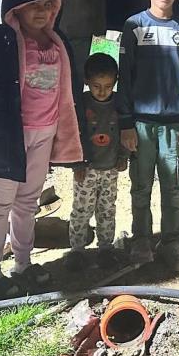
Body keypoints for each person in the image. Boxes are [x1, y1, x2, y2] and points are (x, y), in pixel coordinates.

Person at [0, 0, 84, 299]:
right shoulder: (3, 41)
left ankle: (23, 264)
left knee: (28, 202)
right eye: (33, 5)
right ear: (15, 8)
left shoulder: (57, 42)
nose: (42, 11)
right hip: (11, 136)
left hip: (45, 133)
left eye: (48, 4)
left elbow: (70, 89)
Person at [118, 0, 179, 272]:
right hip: (141, 124)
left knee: (172, 187)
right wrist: (125, 122)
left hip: (174, 125)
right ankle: (141, 239)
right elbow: (125, 75)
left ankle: (171, 242)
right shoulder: (134, 26)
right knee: (140, 186)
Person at [67, 53, 129, 269]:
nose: (102, 91)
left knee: (107, 209)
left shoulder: (119, 103)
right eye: (96, 86)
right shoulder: (81, 105)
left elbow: (125, 132)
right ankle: (76, 250)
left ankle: (105, 248)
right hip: (87, 169)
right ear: (86, 81)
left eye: (108, 86)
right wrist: (77, 162)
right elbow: (74, 134)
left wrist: (123, 156)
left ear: (116, 82)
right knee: (81, 209)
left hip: (110, 168)